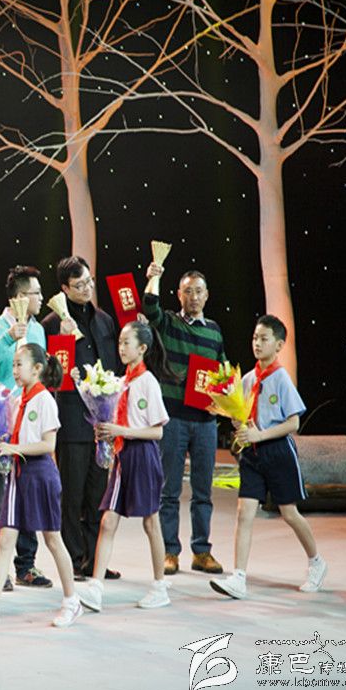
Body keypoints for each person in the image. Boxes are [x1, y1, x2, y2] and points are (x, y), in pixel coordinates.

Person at [0, 344, 85, 631]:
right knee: (5, 540)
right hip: (18, 476)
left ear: (37, 368)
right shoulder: (17, 400)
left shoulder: (44, 400)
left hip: (41, 475)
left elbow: (48, 445)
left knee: (52, 539)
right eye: (14, 365)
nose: (14, 370)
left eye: (19, 364)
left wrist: (14, 448)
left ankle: (72, 601)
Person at [210, 315, 327, 599]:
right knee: (244, 513)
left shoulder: (281, 378)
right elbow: (241, 417)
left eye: (264, 339)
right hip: (252, 456)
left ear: (279, 345)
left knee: (289, 513)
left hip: (278, 452)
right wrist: (238, 425)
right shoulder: (247, 379)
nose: (257, 343)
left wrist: (260, 435)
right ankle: (238, 577)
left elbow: (293, 423)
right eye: (255, 338)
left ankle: (316, 562)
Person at [81, 321, 173, 613]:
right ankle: (96, 587)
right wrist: (105, 430)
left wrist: (122, 430)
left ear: (142, 348)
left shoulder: (148, 382)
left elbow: (157, 431)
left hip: (143, 456)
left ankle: (160, 587)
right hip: (122, 457)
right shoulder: (119, 383)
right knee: (108, 521)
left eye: (126, 343)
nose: (121, 348)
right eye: (119, 342)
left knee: (151, 522)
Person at [143, 262, 227, 576]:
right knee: (170, 490)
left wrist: (223, 402)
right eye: (188, 291)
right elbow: (149, 307)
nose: (193, 296)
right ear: (178, 295)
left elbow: (222, 372)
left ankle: (202, 551)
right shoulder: (168, 323)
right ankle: (169, 551)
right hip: (174, 419)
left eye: (198, 291)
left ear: (207, 295)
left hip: (205, 422)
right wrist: (154, 278)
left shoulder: (214, 330)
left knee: (203, 491)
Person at [41, 256, 121, 582]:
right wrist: (62, 343)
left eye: (89, 281)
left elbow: (114, 366)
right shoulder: (51, 324)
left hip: (102, 421)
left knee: (98, 493)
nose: (87, 289)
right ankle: (74, 559)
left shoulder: (104, 320)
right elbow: (48, 376)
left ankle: (95, 558)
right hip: (72, 419)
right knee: (72, 493)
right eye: (79, 285)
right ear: (64, 288)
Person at [0, 265, 52, 590]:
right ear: (20, 297)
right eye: (36, 293)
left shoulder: (38, 329)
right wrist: (9, 337)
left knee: (29, 494)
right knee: (0, 501)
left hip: (31, 423)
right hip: (3, 425)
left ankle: (26, 565)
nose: (41, 298)